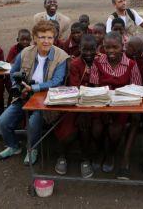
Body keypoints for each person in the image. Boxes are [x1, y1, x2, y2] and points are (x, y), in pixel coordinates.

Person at [0, 20, 68, 165]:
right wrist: (18, 86)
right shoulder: (26, 52)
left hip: (45, 99)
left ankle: (32, 149)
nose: (46, 41)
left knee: (33, 123)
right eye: (42, 37)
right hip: (24, 94)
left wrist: (35, 88)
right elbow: (13, 72)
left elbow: (57, 81)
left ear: (54, 38)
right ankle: (13, 146)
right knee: (3, 121)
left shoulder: (61, 56)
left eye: (49, 37)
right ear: (35, 38)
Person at [89, 32, 142, 173]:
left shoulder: (131, 64)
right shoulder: (97, 62)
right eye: (107, 47)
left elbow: (136, 90)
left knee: (115, 131)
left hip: (122, 106)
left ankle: (110, 154)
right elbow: (95, 89)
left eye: (115, 47)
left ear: (122, 46)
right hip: (101, 104)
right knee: (96, 129)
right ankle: (99, 152)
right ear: (102, 47)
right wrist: (104, 107)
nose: (111, 51)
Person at [54, 34, 98, 178]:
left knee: (86, 128)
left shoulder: (99, 62)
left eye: (92, 50)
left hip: (95, 104)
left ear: (96, 49)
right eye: (85, 50)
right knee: (67, 130)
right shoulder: (75, 64)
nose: (89, 53)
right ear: (79, 49)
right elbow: (75, 88)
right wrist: (81, 112)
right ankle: (62, 155)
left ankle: (85, 158)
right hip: (75, 103)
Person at [117, 36, 143, 180]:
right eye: (127, 46)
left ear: (139, 50)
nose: (126, 48)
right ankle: (124, 163)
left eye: (130, 47)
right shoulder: (126, 59)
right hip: (130, 98)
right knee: (135, 121)